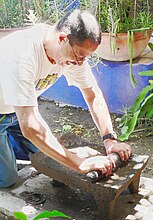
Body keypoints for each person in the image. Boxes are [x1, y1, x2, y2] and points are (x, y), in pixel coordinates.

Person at [0, 9, 131, 188]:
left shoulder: (71, 53)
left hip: (16, 111)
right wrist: (80, 164)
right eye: (79, 56)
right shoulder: (21, 54)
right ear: (62, 38)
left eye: (86, 57)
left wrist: (109, 139)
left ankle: (8, 143)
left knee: (47, 157)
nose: (81, 63)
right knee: (7, 179)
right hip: (5, 114)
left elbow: (93, 95)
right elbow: (30, 126)